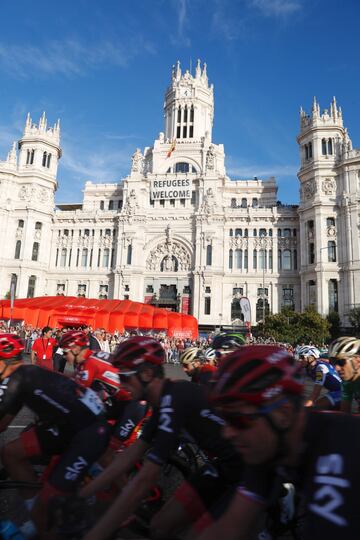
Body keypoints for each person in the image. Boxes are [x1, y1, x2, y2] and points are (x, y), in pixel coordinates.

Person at [79, 336, 243, 540]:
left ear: (147, 373)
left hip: (245, 470)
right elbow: (130, 455)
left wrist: (95, 535)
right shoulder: (161, 400)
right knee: (159, 526)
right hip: (223, 465)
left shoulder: (174, 399)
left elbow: (143, 481)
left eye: (126, 377)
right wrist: (81, 496)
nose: (121, 384)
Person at [198, 344, 360, 540]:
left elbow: (317, 397)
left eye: (238, 419)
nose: (226, 433)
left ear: (283, 413)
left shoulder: (321, 369)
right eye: (225, 418)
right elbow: (228, 528)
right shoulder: (265, 444)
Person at [0, 334, 110, 539]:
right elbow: (4, 422)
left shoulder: (15, 380)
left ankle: (41, 517)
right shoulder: (22, 374)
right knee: (11, 453)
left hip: (87, 432)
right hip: (68, 425)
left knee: (46, 506)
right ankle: (34, 515)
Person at [59, 330, 148, 451]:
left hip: (134, 403)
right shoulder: (91, 357)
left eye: (65, 352)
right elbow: (73, 382)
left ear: (75, 349)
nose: (64, 357)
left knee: (111, 449)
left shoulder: (89, 363)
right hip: (122, 401)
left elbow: (76, 393)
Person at [298, 345, 342, 409]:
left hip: (342, 391)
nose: (299, 360)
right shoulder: (307, 368)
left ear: (311, 357)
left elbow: (315, 393)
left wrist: (304, 409)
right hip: (333, 391)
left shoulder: (320, 369)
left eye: (302, 357)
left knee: (316, 406)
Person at [328, 336, 360, 413]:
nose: (336, 368)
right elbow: (344, 413)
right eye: (333, 362)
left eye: (341, 362)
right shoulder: (347, 383)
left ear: (358, 361)